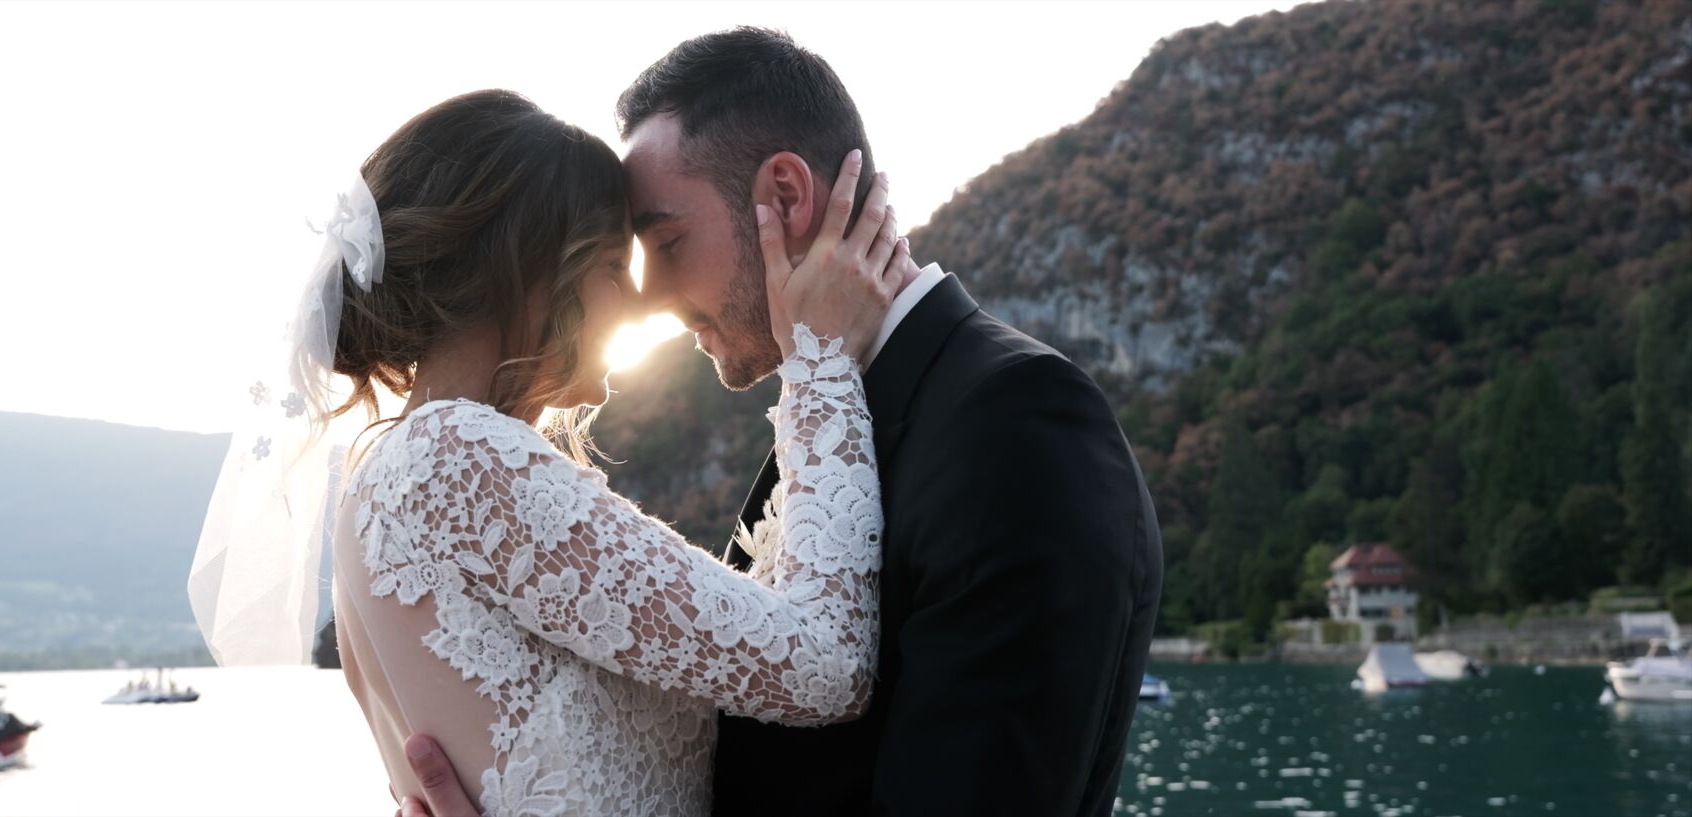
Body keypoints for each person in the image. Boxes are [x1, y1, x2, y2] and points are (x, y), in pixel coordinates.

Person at [402, 28, 1164, 817]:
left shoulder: (1018, 427)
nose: (651, 298)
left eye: (666, 241)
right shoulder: (823, 419)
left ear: (787, 198)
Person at [189, 89, 909, 816]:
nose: (636, 306)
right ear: (529, 272)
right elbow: (828, 666)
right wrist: (820, 358)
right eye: (610, 265)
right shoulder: (453, 458)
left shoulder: (381, 480)